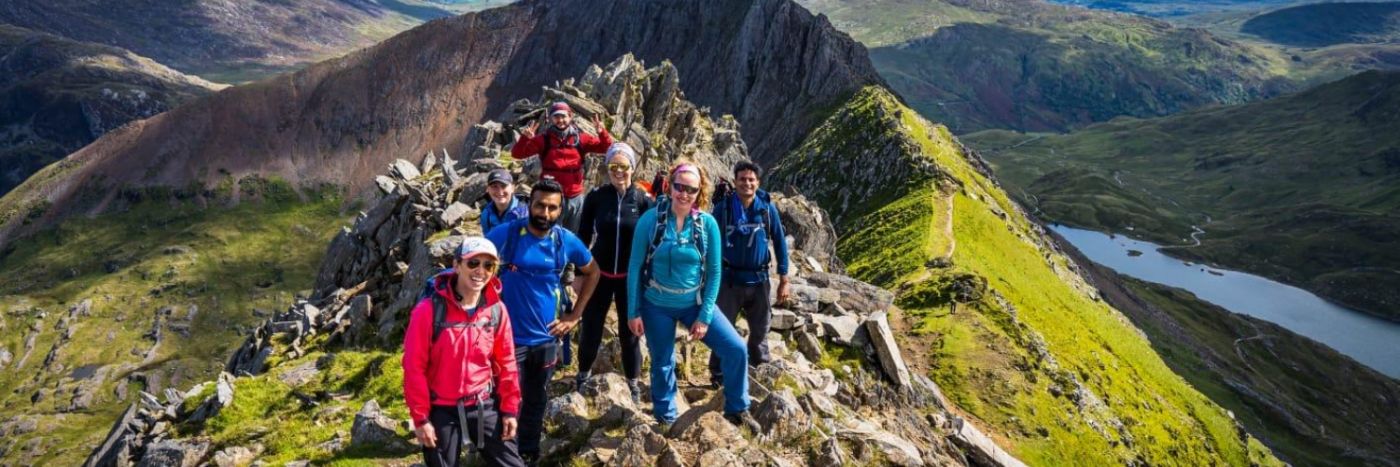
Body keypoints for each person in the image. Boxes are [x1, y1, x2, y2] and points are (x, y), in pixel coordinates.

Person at [626, 161, 758, 431]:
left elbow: (714, 271)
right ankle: (666, 417)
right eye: (679, 187)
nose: (684, 194)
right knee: (662, 361)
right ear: (669, 186)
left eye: (691, 189)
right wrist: (633, 311)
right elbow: (635, 267)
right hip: (656, 304)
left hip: (693, 302)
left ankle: (737, 408)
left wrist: (705, 316)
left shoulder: (706, 224)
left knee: (735, 349)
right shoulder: (650, 221)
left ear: (700, 192)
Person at [485, 179, 601, 461]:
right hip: (509, 339)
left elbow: (593, 272)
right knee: (506, 400)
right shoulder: (507, 234)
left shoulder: (565, 240)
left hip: (548, 338)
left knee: (536, 399)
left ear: (560, 209)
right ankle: (503, 455)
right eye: (540, 205)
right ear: (529, 205)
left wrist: (575, 316)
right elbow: (472, 262)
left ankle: (528, 453)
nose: (545, 213)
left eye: (552, 208)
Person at [403, 237, 525, 467]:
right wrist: (420, 419)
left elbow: (507, 362)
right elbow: (413, 367)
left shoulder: (497, 311)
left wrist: (509, 410)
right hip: (441, 410)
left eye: (488, 266)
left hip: (483, 405)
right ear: (456, 265)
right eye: (473, 263)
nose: (481, 271)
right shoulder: (428, 311)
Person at [574, 143, 653, 400]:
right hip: (599, 276)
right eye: (613, 166)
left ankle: (633, 384)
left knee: (629, 334)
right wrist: (578, 274)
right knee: (591, 328)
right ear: (607, 168)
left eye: (624, 166)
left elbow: (654, 241)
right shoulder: (596, 197)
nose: (619, 171)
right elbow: (582, 238)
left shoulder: (643, 201)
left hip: (630, 280)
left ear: (633, 167)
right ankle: (583, 375)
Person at [708, 161, 791, 387]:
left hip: (760, 280)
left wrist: (784, 278)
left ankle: (759, 370)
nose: (747, 183)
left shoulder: (766, 209)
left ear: (758, 183)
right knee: (723, 328)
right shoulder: (723, 208)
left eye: (751, 179)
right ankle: (718, 373)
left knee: (760, 331)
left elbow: (780, 243)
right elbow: (710, 241)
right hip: (729, 280)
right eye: (742, 179)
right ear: (735, 182)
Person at [509, 102, 613, 233]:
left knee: (571, 236)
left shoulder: (581, 139)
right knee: (549, 234)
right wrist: (525, 139)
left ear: (570, 117)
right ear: (551, 119)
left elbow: (607, 148)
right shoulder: (544, 140)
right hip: (551, 197)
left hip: (575, 197)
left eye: (563, 116)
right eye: (556, 117)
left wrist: (602, 132)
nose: (560, 120)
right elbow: (517, 154)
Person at [480, 169, 529, 234]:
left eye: (503, 186)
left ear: (512, 188)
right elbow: (488, 239)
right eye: (494, 186)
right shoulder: (486, 213)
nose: (500, 192)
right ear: (488, 189)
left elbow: (527, 240)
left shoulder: (524, 213)